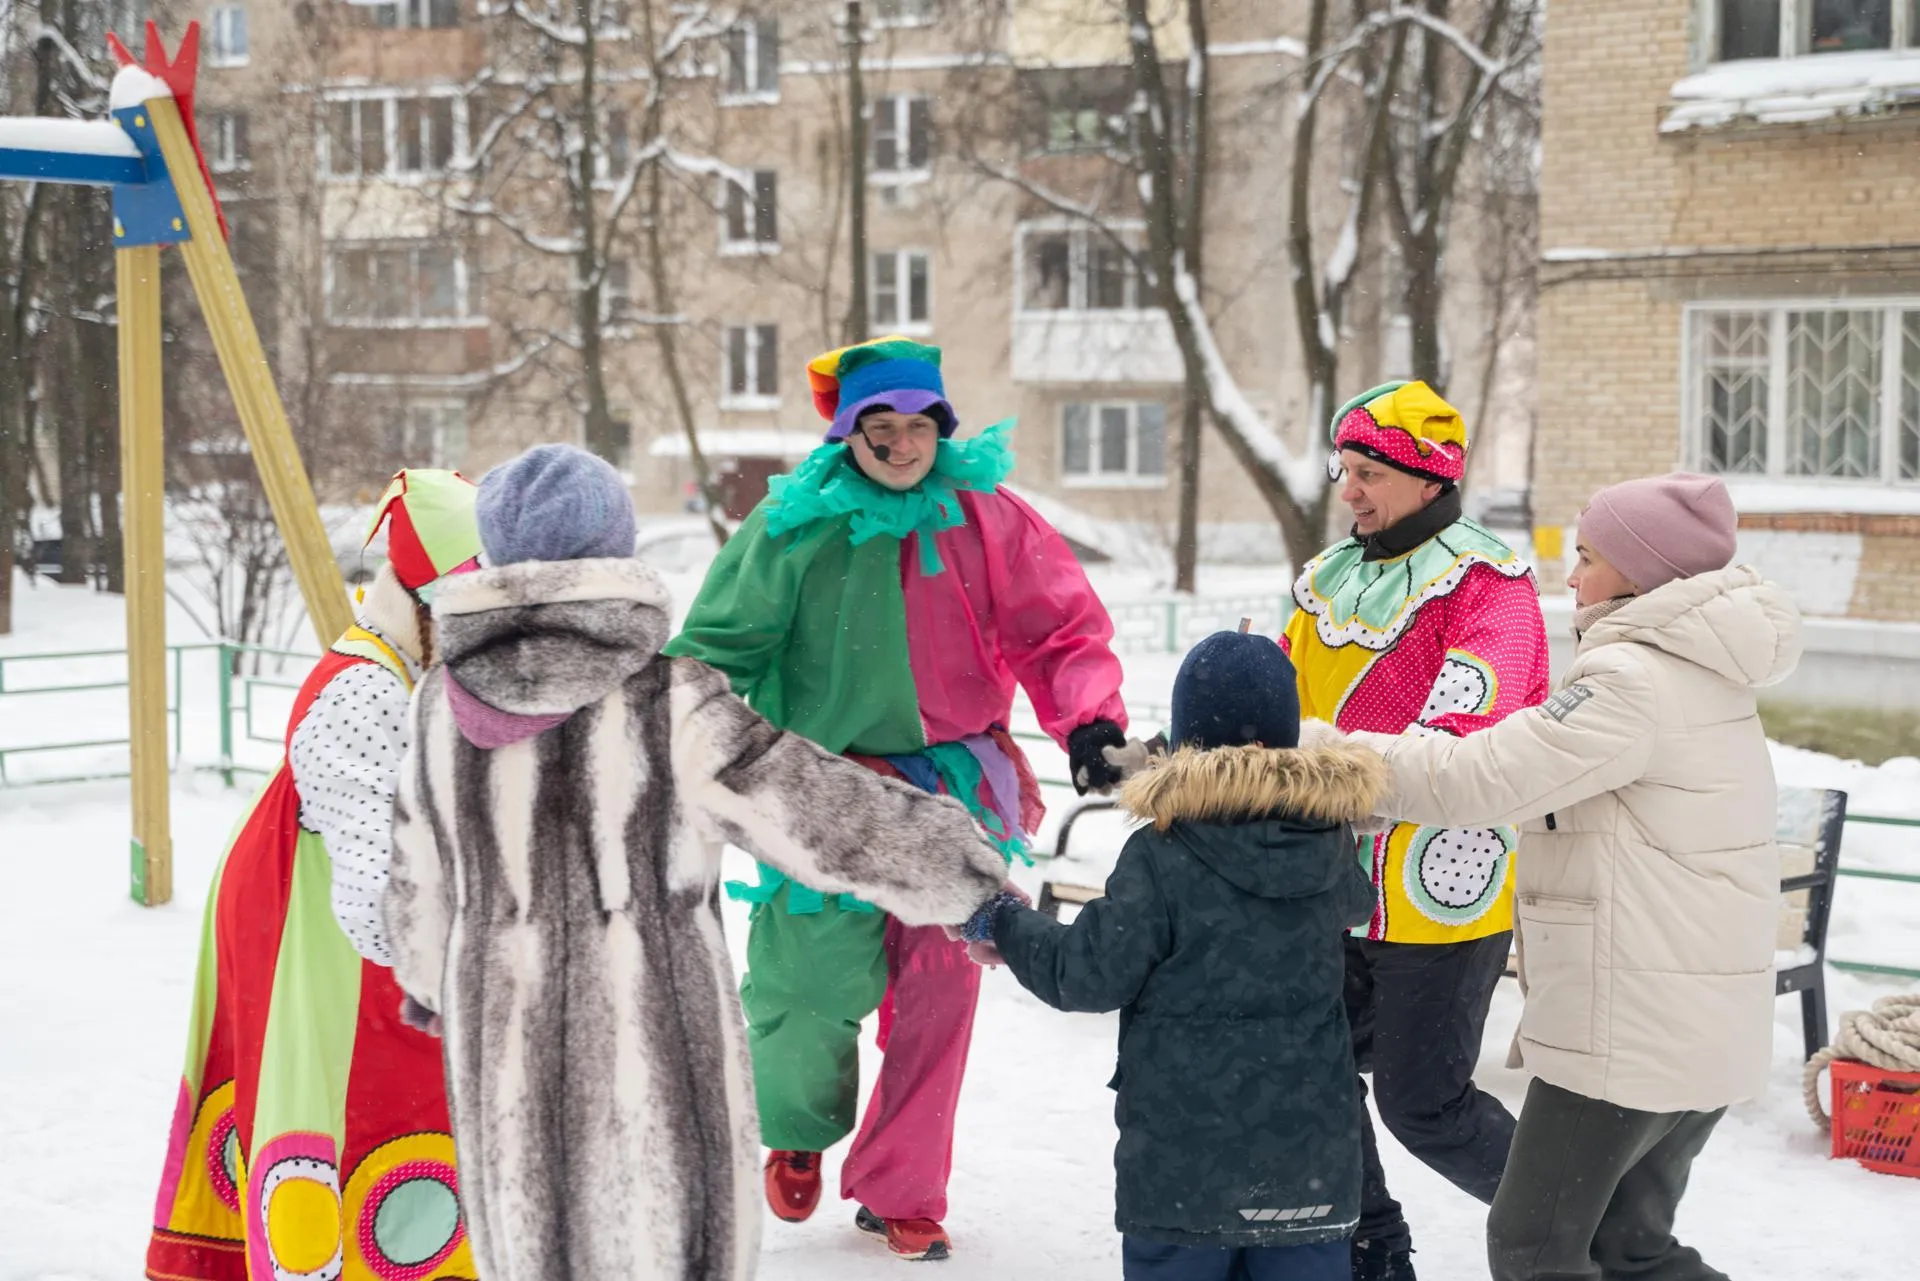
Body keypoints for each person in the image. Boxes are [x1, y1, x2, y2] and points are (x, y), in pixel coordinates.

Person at [382, 444, 1012, 1281]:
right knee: (669, 1245)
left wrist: (429, 982)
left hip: (508, 1055)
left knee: (537, 1249)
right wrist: (963, 872)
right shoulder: (670, 701)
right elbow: (820, 812)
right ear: (616, 553)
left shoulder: (438, 705)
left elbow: (418, 879)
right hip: (656, 1057)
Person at [662, 336, 1134, 1260]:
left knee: (940, 989)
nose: (902, 442)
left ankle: (902, 1186)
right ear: (848, 432)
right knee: (805, 982)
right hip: (819, 790)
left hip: (954, 791)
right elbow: (718, 645)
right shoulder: (793, 524)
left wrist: (1088, 723)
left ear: (940, 428)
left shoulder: (985, 515)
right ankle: (798, 1125)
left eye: (919, 424)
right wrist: (677, 731)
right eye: (881, 425)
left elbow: (1060, 625)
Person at [1322, 473, 1801, 1281]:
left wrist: (1331, 758)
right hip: (1700, 1025)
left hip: (1631, 1032)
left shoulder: (1631, 683)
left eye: (1587, 556)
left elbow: (1478, 778)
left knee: (1533, 1245)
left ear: (1644, 574)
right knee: (1629, 1246)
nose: (1570, 576)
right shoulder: (1707, 675)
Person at [958, 630, 1382, 1281]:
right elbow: (1358, 909)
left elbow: (1088, 971)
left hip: (1186, 1179)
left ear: (1185, 742)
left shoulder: (1165, 853)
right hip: (1309, 1175)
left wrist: (1005, 921)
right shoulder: (1328, 846)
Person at [145, 470, 485, 1281]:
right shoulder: (364, 690)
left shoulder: (409, 670)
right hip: (321, 942)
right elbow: (376, 891)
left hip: (329, 927)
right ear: (423, 603)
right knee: (349, 1106)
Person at [1280, 380, 1550, 1281]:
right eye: (1343, 469)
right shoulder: (1329, 576)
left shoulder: (1489, 583)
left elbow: (1459, 740)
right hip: (1327, 876)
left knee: (1424, 1103)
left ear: (1428, 479)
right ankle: (1371, 1240)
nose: (1348, 490)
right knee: (1308, 1063)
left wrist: (1318, 766)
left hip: (1440, 887)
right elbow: (1282, 701)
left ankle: (1587, 1233)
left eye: (1368, 473)